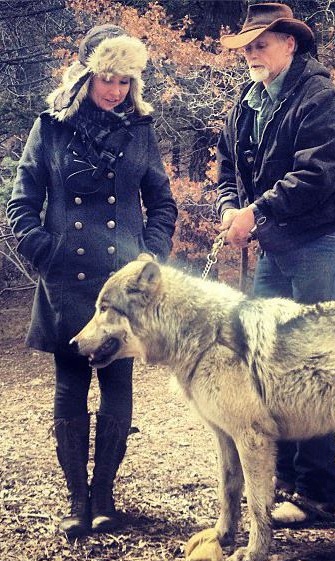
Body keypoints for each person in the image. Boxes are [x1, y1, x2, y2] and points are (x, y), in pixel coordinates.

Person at [6, 24, 177, 538]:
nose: (115, 90)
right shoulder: (51, 128)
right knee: (70, 386)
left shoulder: (141, 130)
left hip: (121, 287)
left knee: (118, 385)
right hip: (67, 281)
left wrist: (149, 259)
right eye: (107, 77)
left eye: (125, 80)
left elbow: (162, 202)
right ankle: (76, 501)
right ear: (86, 76)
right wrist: (48, 254)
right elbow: (21, 204)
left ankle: (105, 496)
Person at [216, 3, 335, 527]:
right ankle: (284, 478)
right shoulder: (247, 101)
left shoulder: (320, 97)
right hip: (276, 246)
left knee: (314, 364)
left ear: (290, 44)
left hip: (322, 242)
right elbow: (227, 168)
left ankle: (318, 492)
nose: (253, 55)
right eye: (248, 47)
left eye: (262, 44)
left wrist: (256, 212)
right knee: (268, 362)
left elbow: (320, 174)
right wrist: (230, 208)